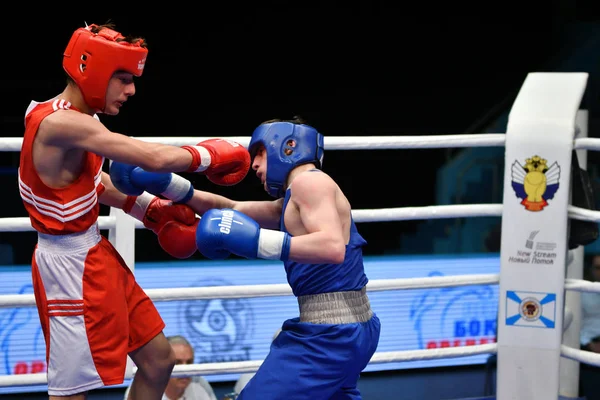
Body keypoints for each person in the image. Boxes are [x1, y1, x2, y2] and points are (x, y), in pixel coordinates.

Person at [19, 22, 249, 400]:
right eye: (122, 78)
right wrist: (209, 155)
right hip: (68, 268)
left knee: (159, 360)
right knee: (71, 392)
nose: (131, 89)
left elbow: (94, 183)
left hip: (96, 254)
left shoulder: (79, 119)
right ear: (91, 71)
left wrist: (147, 209)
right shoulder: (59, 124)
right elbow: (152, 157)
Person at [109, 116, 382, 399]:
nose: (254, 165)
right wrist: (169, 185)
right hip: (346, 328)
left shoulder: (310, 184)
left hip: (330, 335)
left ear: (288, 146)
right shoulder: (293, 197)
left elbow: (332, 247)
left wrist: (257, 242)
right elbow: (232, 207)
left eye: (260, 153)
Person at [123, 335, 217, 400]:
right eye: (178, 363)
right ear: (165, 363)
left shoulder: (200, 384)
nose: (185, 370)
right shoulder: (141, 388)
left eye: (189, 362)